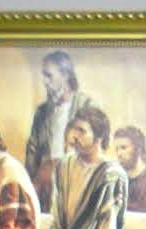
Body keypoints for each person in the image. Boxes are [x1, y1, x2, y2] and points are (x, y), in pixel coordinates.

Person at [25, 50, 91, 209]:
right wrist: (31, 184)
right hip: (45, 190)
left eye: (49, 75)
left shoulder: (86, 107)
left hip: (77, 188)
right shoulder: (42, 112)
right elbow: (32, 151)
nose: (44, 81)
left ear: (66, 75)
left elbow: (93, 150)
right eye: (43, 76)